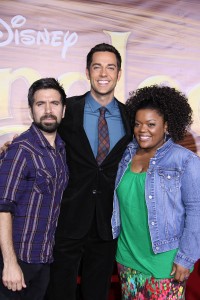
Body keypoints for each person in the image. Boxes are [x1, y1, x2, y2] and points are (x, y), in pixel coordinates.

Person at [46, 43, 132, 300]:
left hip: (107, 223)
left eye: (110, 67)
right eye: (97, 66)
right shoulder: (66, 110)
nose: (103, 73)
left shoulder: (131, 117)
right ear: (87, 71)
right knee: (59, 292)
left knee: (96, 293)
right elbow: (40, 137)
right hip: (67, 219)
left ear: (118, 73)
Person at [112, 84, 200, 299]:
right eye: (138, 124)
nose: (143, 130)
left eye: (151, 124)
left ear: (166, 126)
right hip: (127, 257)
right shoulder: (124, 156)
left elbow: (196, 211)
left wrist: (186, 258)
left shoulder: (185, 160)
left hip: (165, 260)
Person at [0, 78, 69, 300]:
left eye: (54, 103)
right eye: (40, 104)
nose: (48, 110)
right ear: (31, 110)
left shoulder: (60, 149)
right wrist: (10, 263)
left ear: (63, 110)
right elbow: (3, 208)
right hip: (17, 261)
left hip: (43, 258)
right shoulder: (21, 149)